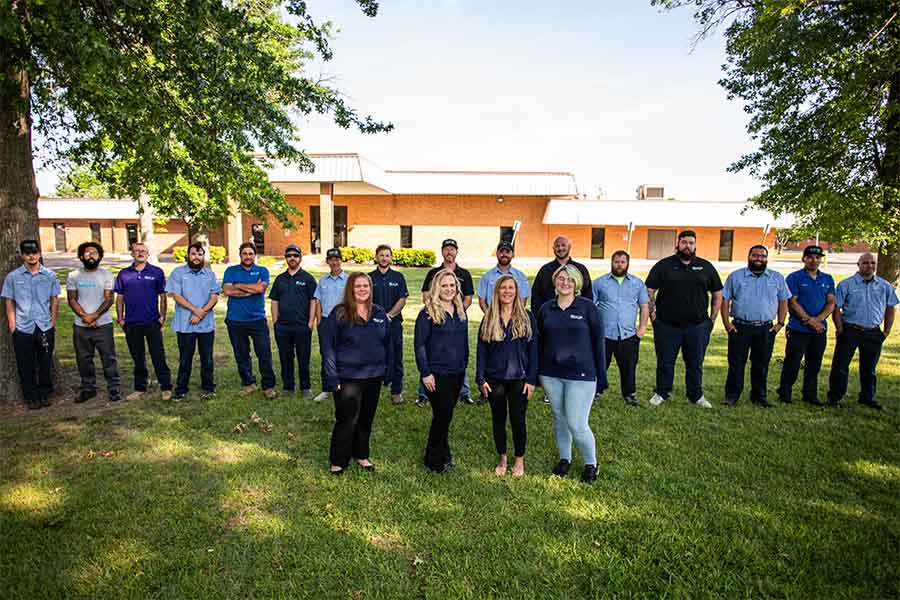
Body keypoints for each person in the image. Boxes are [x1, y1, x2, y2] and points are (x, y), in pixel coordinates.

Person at [538, 264, 607, 483]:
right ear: (554, 282)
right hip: (551, 374)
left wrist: (601, 377)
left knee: (577, 423)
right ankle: (565, 458)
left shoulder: (587, 308)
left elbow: (598, 343)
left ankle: (591, 464)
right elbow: (539, 343)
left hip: (581, 375)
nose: (565, 283)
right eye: (561, 279)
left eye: (570, 279)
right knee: (560, 418)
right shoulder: (546, 309)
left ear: (577, 283)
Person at [319, 272, 392, 475]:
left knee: (366, 418)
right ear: (351, 289)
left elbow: (388, 343)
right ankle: (338, 460)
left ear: (370, 288)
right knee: (346, 419)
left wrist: (388, 371)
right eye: (357, 286)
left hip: (374, 375)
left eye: (365, 286)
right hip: (347, 377)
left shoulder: (378, 313)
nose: (362, 289)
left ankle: (361, 454)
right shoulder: (339, 313)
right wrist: (332, 377)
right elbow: (328, 347)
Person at [645, 230, 723, 409]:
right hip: (666, 325)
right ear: (677, 244)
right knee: (665, 362)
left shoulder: (705, 266)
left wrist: (711, 319)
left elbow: (717, 293)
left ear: (695, 245)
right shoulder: (664, 266)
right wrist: (653, 316)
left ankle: (696, 395)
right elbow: (649, 290)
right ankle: (661, 392)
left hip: (697, 326)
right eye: (684, 242)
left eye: (691, 243)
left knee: (695, 363)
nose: (687, 246)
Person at [476, 274, 538, 477]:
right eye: (503, 288)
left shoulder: (527, 317)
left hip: (519, 378)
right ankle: (502, 457)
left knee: (518, 420)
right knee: (498, 419)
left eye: (511, 288)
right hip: (494, 379)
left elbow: (534, 351)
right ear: (497, 292)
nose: (507, 291)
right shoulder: (489, 317)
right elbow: (482, 350)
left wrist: (531, 380)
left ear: (517, 291)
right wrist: (481, 378)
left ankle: (519, 460)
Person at [720, 245, 790, 407]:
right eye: (755, 255)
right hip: (740, 327)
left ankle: (759, 396)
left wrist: (779, 323)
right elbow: (725, 300)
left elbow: (784, 300)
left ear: (767, 258)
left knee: (761, 364)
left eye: (762, 256)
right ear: (749, 256)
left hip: (766, 328)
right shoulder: (735, 277)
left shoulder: (776, 278)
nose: (758, 258)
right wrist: (727, 324)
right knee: (736, 363)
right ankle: (732, 396)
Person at [827, 253, 898, 410]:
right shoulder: (846, 284)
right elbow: (836, 308)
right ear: (858, 265)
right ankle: (835, 397)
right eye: (865, 263)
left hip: (873, 332)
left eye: (872, 263)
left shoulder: (884, 286)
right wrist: (839, 328)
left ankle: (867, 397)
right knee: (840, 366)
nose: (869, 266)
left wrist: (886, 331)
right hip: (850, 330)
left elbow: (890, 308)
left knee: (869, 368)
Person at [415, 269, 469, 473]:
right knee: (442, 416)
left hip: (457, 372)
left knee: (446, 415)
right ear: (437, 287)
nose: (448, 289)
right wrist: (425, 372)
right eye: (444, 285)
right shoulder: (428, 312)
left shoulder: (460, 311)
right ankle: (434, 459)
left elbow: (463, 342)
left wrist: (464, 364)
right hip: (437, 374)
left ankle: (443, 452)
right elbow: (419, 345)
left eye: (452, 285)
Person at [2, 240, 60, 409]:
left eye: (34, 252)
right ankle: (31, 396)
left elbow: (54, 301)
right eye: (27, 253)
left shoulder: (50, 275)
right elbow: (9, 302)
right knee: (25, 364)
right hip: (23, 328)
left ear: (40, 253)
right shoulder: (13, 277)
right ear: (22, 255)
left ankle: (44, 393)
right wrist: (13, 326)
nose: (31, 256)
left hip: (45, 326)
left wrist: (53, 323)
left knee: (45, 362)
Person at [418, 239, 475, 406]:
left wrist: (457, 311)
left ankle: (464, 392)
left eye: (452, 249)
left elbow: (469, 297)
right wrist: (439, 310)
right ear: (442, 252)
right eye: (446, 249)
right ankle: (423, 394)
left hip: (457, 315)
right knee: (431, 349)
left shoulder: (464, 273)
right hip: (437, 315)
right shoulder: (433, 273)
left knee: (457, 352)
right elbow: (425, 295)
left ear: (457, 251)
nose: (449, 252)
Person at [777, 245, 835, 405]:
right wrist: (809, 320)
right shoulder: (794, 277)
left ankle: (810, 394)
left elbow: (831, 303)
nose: (814, 260)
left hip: (819, 329)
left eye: (817, 257)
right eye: (810, 257)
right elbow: (792, 302)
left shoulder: (827, 279)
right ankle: (785, 392)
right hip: (798, 329)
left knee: (814, 364)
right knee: (793, 362)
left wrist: (819, 320)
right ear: (804, 259)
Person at [114, 242, 172, 402]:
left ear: (148, 254)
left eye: (143, 251)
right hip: (131, 323)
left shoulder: (157, 272)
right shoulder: (124, 274)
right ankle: (140, 387)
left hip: (152, 321)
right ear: (132, 254)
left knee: (158, 355)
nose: (140, 253)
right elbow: (119, 298)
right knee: (137, 357)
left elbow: (162, 296)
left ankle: (166, 386)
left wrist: (162, 316)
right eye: (137, 251)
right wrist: (120, 318)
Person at [591, 250, 649, 406]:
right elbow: (590, 307)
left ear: (627, 263)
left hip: (628, 334)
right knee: (600, 364)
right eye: (616, 261)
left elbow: (644, 306)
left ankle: (629, 394)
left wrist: (642, 328)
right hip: (605, 334)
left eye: (623, 262)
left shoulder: (637, 283)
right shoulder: (599, 283)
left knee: (629, 366)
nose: (619, 265)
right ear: (612, 262)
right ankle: (596, 391)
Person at [67, 241, 121, 403]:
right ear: (81, 256)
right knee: (83, 359)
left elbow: (109, 298)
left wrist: (94, 316)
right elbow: (72, 299)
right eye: (87, 253)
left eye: (94, 253)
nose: (91, 255)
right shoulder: (73, 276)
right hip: (80, 326)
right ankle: (88, 389)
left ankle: (114, 389)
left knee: (108, 358)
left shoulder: (106, 275)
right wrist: (85, 317)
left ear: (100, 256)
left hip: (103, 325)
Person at [222, 241, 277, 399]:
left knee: (264, 353)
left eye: (250, 254)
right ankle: (248, 383)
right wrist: (250, 289)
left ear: (255, 255)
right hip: (235, 320)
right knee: (242, 354)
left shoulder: (262, 270)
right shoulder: (231, 270)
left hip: (257, 320)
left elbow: (261, 289)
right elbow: (227, 290)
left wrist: (238, 285)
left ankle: (268, 386)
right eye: (245, 254)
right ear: (240, 255)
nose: (248, 256)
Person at [166, 242, 220, 401]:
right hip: (185, 324)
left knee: (207, 358)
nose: (196, 257)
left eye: (200, 254)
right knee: (185, 358)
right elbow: (176, 295)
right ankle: (181, 389)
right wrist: (196, 310)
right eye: (193, 254)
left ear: (203, 256)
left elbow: (215, 296)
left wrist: (201, 312)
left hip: (206, 324)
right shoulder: (178, 273)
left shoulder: (209, 274)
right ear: (188, 256)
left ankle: (209, 387)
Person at [270, 243, 317, 398]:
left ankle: (306, 387)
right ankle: (288, 387)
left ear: (300, 258)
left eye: (295, 256)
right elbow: (274, 301)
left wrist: (310, 323)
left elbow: (313, 301)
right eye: (289, 256)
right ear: (286, 258)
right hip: (283, 327)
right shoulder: (280, 279)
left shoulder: (308, 279)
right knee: (285, 358)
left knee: (304, 358)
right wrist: (275, 322)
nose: (292, 258)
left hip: (302, 326)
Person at [369, 244, 409, 405]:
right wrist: (379, 316)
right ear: (376, 257)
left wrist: (390, 315)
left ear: (391, 258)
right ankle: (374, 389)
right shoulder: (369, 277)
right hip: (374, 325)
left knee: (397, 357)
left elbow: (402, 299)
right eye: (381, 255)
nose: (384, 258)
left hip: (394, 323)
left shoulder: (398, 277)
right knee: (375, 357)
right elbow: (366, 300)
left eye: (387, 255)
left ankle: (396, 391)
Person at [312, 248, 349, 402]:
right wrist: (319, 321)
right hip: (326, 322)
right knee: (326, 355)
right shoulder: (323, 281)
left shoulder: (349, 279)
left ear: (341, 260)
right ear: (327, 261)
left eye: (337, 259)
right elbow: (317, 301)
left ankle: (345, 386)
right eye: (331, 259)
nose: (334, 262)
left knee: (345, 354)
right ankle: (327, 388)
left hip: (344, 322)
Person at [530, 235, 592, 317]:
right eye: (557, 246)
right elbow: (536, 296)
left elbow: (588, 294)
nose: (560, 248)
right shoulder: (545, 270)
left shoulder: (580, 269)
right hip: (550, 316)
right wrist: (539, 316)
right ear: (553, 248)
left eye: (563, 245)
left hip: (576, 315)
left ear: (569, 247)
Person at [477, 240, 531, 313]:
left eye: (507, 252)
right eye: (501, 251)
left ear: (513, 254)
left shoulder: (521, 277)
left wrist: (514, 317)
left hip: (514, 318)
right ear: (497, 253)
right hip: (492, 317)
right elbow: (482, 301)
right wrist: (490, 317)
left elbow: (523, 300)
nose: (504, 254)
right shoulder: (487, 277)